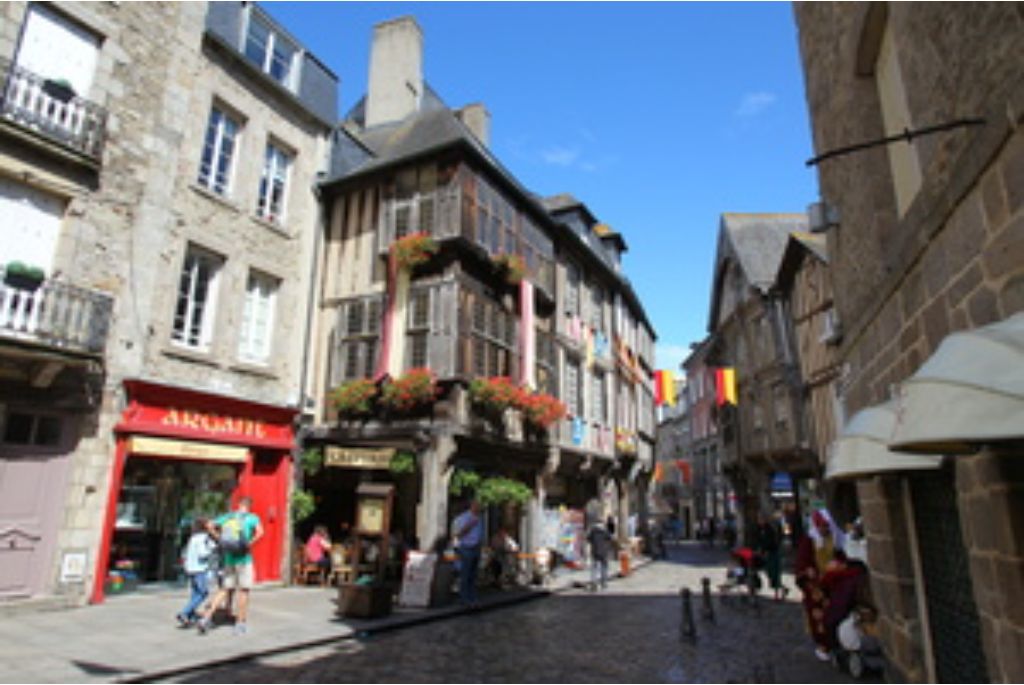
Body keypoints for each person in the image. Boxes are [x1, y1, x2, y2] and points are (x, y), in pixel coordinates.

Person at [197, 496, 263, 636]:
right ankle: (240, 624)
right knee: (244, 591)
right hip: (244, 559)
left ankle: (206, 618)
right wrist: (249, 543)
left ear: (239, 505)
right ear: (249, 506)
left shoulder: (228, 517)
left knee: (224, 589)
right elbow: (260, 533)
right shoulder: (252, 518)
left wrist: (219, 539)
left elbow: (209, 526)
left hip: (229, 559)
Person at [794, 508, 846, 661]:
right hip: (816, 584)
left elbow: (840, 554)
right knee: (819, 616)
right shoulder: (809, 541)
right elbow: (802, 563)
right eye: (822, 526)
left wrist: (838, 565)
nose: (824, 529)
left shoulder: (833, 538)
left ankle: (838, 641)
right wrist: (808, 572)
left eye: (826, 526)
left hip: (833, 581)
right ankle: (823, 645)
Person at [176, 517, 217, 628]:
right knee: (203, 593)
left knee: (195, 593)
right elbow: (202, 553)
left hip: (191, 568)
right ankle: (184, 612)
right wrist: (212, 550)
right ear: (205, 526)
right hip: (199, 569)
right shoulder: (203, 538)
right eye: (209, 523)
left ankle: (190, 615)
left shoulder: (194, 537)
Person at [451, 499, 483, 605]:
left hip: (476, 548)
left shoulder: (479, 518)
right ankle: (464, 598)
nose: (479, 508)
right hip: (466, 548)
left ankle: (472, 597)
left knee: (473, 575)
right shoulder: (463, 518)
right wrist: (469, 525)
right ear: (472, 506)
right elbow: (457, 534)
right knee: (466, 574)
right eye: (477, 506)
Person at [755, 511, 788, 601]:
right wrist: (759, 549)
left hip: (773, 552)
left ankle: (777, 594)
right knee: (769, 573)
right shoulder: (759, 529)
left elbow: (771, 541)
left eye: (761, 519)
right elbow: (758, 540)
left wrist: (764, 549)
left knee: (775, 573)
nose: (759, 521)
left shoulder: (770, 529)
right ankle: (782, 589)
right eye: (759, 519)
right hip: (766, 553)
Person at [586, 518, 614, 591]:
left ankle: (594, 583)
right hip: (604, 552)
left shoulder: (592, 531)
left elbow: (588, 539)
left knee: (594, 568)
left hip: (594, 551)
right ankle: (603, 583)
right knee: (604, 567)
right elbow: (610, 538)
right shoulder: (605, 531)